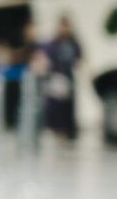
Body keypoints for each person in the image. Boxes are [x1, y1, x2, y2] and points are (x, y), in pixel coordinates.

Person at [36, 15, 84, 143]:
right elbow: (44, 58)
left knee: (69, 106)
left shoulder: (74, 43)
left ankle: (68, 130)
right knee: (57, 106)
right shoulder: (53, 43)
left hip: (69, 77)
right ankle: (57, 129)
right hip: (56, 77)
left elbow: (79, 59)